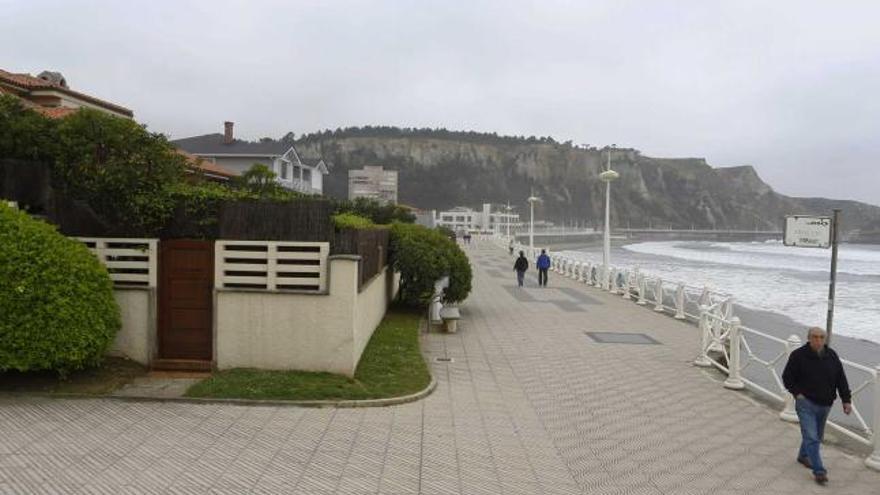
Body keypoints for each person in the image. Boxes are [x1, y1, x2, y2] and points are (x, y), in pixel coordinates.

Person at [782, 326, 852, 485]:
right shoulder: (798, 355)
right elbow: (787, 377)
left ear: (825, 339)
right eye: (815, 337)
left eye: (821, 337)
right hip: (805, 402)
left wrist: (846, 400)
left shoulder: (832, 355)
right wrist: (797, 394)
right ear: (809, 338)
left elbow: (841, 379)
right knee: (812, 437)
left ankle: (803, 455)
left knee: (815, 436)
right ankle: (819, 471)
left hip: (826, 404)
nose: (818, 340)